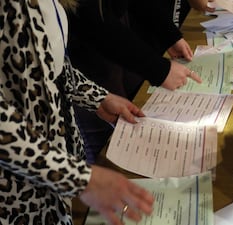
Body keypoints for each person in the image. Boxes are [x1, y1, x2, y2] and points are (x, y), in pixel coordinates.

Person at [0, 0, 154, 224]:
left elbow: (49, 65)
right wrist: (76, 178)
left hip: (54, 168)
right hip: (18, 188)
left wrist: (98, 98)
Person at [67, 0, 207, 164]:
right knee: (104, 144)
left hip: (98, 60)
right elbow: (91, 19)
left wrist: (169, 35)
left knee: (126, 114)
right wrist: (159, 70)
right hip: (86, 57)